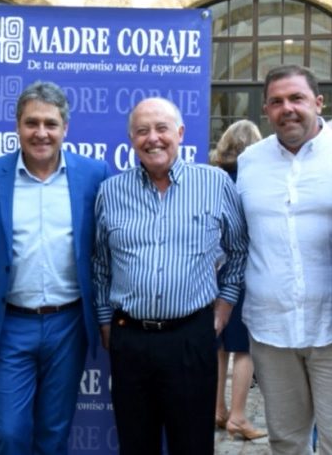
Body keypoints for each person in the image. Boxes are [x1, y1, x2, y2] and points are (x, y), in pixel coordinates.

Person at [94, 97, 249, 455]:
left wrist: (224, 306)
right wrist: (105, 323)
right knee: (136, 444)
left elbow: (239, 250)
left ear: (180, 133)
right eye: (142, 131)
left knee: (193, 444)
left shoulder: (214, 184)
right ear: (131, 139)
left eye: (162, 128)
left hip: (191, 337)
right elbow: (99, 263)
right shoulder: (111, 192)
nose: (153, 138)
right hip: (129, 338)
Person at [0, 81, 108, 455]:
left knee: (54, 433)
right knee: (11, 433)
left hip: (68, 323)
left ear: (66, 127)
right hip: (11, 323)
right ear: (17, 126)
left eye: (50, 123)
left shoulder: (95, 176)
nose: (41, 133)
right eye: (32, 123)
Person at [237, 65, 332, 454]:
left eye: (297, 98)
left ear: (319, 103)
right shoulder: (249, 161)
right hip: (270, 326)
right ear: (265, 109)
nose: (287, 109)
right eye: (277, 102)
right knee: (286, 439)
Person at [210, 119, 267, 441]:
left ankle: (217, 409)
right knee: (244, 348)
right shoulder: (252, 181)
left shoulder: (215, 178)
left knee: (219, 345)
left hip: (215, 272)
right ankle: (239, 417)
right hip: (244, 271)